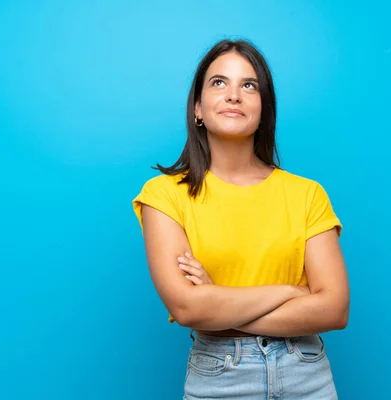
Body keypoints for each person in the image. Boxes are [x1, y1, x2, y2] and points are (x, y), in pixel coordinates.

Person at [132, 39, 350, 399]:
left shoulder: (307, 194)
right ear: (197, 108)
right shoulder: (164, 194)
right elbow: (187, 307)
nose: (234, 95)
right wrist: (292, 293)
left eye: (249, 85)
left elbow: (335, 309)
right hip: (219, 375)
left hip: (306, 372)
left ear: (264, 109)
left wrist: (217, 300)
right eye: (219, 82)